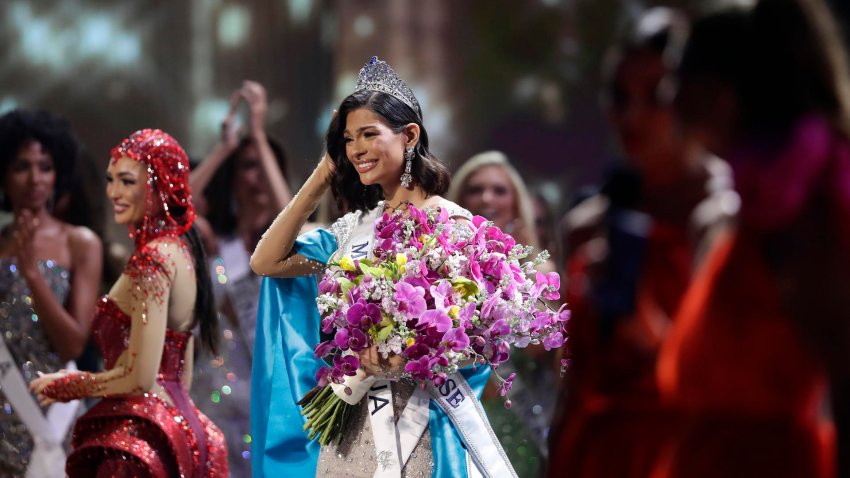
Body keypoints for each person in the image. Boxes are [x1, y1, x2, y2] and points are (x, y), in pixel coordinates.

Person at [249, 56, 516, 478]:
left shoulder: (455, 224)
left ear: (409, 136)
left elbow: (475, 340)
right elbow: (266, 261)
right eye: (349, 139)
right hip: (352, 432)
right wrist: (322, 173)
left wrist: (408, 355)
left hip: (424, 425)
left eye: (369, 134)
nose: (356, 149)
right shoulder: (354, 228)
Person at [655, 0, 850, 476]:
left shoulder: (805, 221)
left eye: (678, 74)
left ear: (718, 95)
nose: (666, 94)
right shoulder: (752, 213)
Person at [546, 8, 736, 478]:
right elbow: (572, 375)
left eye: (654, 95)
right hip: (590, 452)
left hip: (682, 454)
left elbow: (738, 381)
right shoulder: (584, 225)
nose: (631, 115)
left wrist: (653, 335)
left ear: (689, 96)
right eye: (619, 95)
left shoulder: (727, 213)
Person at [29, 129, 228, 477]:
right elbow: (182, 371)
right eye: (110, 180)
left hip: (141, 438)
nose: (113, 193)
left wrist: (70, 386)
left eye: (126, 181)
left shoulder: (152, 260)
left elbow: (138, 378)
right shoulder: (181, 251)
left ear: (159, 185)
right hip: (183, 428)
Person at [189, 80, 292, 476]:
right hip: (214, 409)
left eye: (266, 166)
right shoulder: (214, 245)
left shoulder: (296, 252)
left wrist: (259, 134)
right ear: (232, 178)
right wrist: (223, 151)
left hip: (275, 408)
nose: (259, 177)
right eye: (248, 166)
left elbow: (292, 216)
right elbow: (172, 205)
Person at [0, 109, 102, 477]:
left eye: (45, 166)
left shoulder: (79, 243)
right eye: (21, 166)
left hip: (57, 421)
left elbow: (74, 345)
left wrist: (30, 273)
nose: (35, 179)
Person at [447, 150, 555, 476]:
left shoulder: (539, 272)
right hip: (455, 415)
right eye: (475, 189)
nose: (486, 197)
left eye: (498, 190)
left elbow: (545, 348)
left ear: (515, 200)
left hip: (516, 421)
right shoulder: (437, 263)